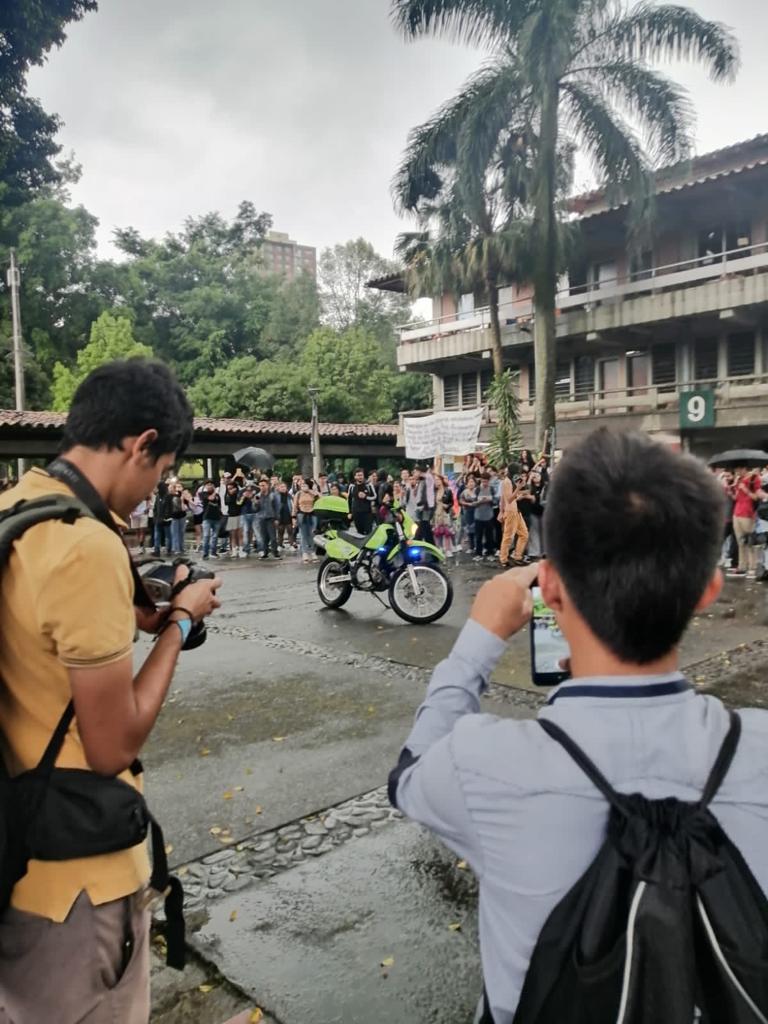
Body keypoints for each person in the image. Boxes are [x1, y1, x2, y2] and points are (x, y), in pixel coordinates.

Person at [389, 428, 768, 1024]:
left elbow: (409, 776)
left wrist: (478, 641)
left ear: (550, 585)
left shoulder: (485, 763)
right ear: (707, 590)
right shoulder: (760, 750)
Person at [0, 359, 222, 1023]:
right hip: (77, 883)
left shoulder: (19, 510)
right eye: (162, 469)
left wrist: (139, 609)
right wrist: (180, 624)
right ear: (141, 444)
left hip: (16, 850)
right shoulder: (85, 546)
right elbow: (111, 745)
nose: (156, 488)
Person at [729, 466, 767, 577]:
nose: (737, 472)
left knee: (751, 541)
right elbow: (736, 498)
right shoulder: (739, 479)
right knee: (740, 541)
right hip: (737, 512)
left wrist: (745, 489)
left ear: (744, 468)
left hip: (748, 513)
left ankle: (752, 567)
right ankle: (742, 566)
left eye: (738, 469)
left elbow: (756, 497)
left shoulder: (754, 479)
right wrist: (731, 490)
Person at [498, 465, 529, 567]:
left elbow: (504, 498)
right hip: (511, 511)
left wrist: (521, 488)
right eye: (518, 471)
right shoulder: (507, 482)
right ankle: (503, 559)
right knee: (508, 537)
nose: (519, 474)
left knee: (524, 534)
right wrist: (519, 488)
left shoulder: (511, 481)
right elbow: (509, 499)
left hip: (516, 511)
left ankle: (517, 556)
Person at [254, 478, 281, 559]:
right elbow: (255, 509)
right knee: (263, 537)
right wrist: (256, 503)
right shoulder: (258, 496)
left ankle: (275, 552)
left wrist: (277, 518)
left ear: (267, 486)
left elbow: (277, 507)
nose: (262, 487)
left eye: (263, 485)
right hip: (261, 518)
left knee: (273, 537)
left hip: (271, 518)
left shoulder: (272, 495)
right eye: (260, 486)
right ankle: (265, 552)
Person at [294, 477, 318, 564]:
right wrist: (293, 517)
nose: (303, 486)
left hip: (312, 514)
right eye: (302, 485)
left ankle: (312, 552)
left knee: (312, 534)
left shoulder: (313, 493)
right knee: (303, 534)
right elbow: (295, 506)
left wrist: (311, 491)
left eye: (305, 485)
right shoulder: (298, 494)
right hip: (302, 514)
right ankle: (305, 553)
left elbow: (320, 498)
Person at [473, 473, 496, 561]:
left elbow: (496, 501)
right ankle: (478, 553)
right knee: (478, 536)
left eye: (486, 481)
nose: (484, 483)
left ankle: (490, 553)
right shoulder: (477, 489)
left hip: (489, 516)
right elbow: (473, 502)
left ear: (489, 481)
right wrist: (479, 501)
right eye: (483, 481)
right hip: (478, 516)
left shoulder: (492, 489)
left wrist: (490, 500)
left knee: (489, 536)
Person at [348, 467, 375, 535]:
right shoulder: (352, 486)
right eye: (358, 475)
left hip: (367, 512)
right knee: (359, 532)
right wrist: (349, 512)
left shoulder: (368, 485)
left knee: (369, 532)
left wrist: (366, 497)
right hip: (356, 513)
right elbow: (349, 499)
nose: (360, 477)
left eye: (361, 475)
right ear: (355, 477)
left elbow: (374, 496)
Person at [201, 480, 223, 559]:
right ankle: (205, 553)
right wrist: (215, 492)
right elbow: (211, 498)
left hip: (217, 518)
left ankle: (213, 552)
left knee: (215, 536)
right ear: (205, 486)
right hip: (207, 518)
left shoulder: (217, 496)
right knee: (206, 536)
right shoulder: (204, 494)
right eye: (208, 485)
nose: (210, 486)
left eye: (211, 484)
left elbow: (219, 505)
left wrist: (220, 515)